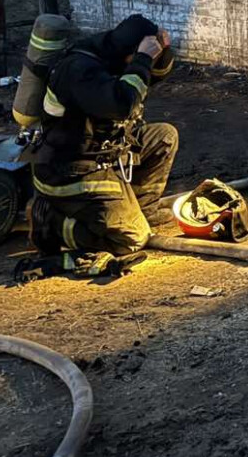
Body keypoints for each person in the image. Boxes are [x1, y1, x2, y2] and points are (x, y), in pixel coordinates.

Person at [26, 14, 179, 276]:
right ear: (130, 53)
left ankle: (142, 209)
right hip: (72, 171)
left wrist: (161, 50)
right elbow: (121, 104)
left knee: (164, 136)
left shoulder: (110, 52)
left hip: (105, 154)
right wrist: (142, 59)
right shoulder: (80, 71)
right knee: (132, 239)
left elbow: (150, 76)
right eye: (140, 56)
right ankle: (52, 224)